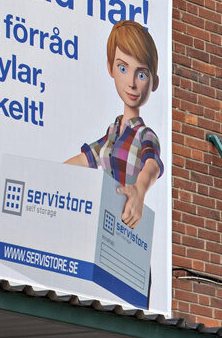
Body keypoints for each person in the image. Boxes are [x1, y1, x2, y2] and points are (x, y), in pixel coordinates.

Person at [66, 20, 166, 227]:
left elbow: (152, 165)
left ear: (154, 82)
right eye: (123, 68)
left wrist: (139, 190)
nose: (131, 83)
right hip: (104, 223)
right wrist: (46, 177)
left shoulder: (144, 135)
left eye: (141, 74)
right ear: (110, 67)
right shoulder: (112, 133)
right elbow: (84, 160)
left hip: (129, 226)